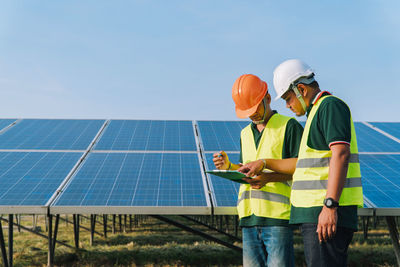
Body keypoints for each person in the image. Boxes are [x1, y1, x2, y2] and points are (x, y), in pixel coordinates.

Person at [238, 59, 363, 267]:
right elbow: (303, 166)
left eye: (288, 98)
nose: (287, 105)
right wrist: (264, 163)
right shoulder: (314, 113)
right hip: (315, 215)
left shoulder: (330, 106)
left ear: (302, 89)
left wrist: (330, 205)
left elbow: (341, 154)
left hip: (325, 214)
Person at [213, 74, 303, 267]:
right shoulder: (244, 134)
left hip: (277, 218)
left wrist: (268, 179)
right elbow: (248, 170)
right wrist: (229, 167)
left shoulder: (289, 126)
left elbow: (302, 167)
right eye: (247, 111)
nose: (251, 114)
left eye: (254, 109)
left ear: (268, 99)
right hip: (249, 219)